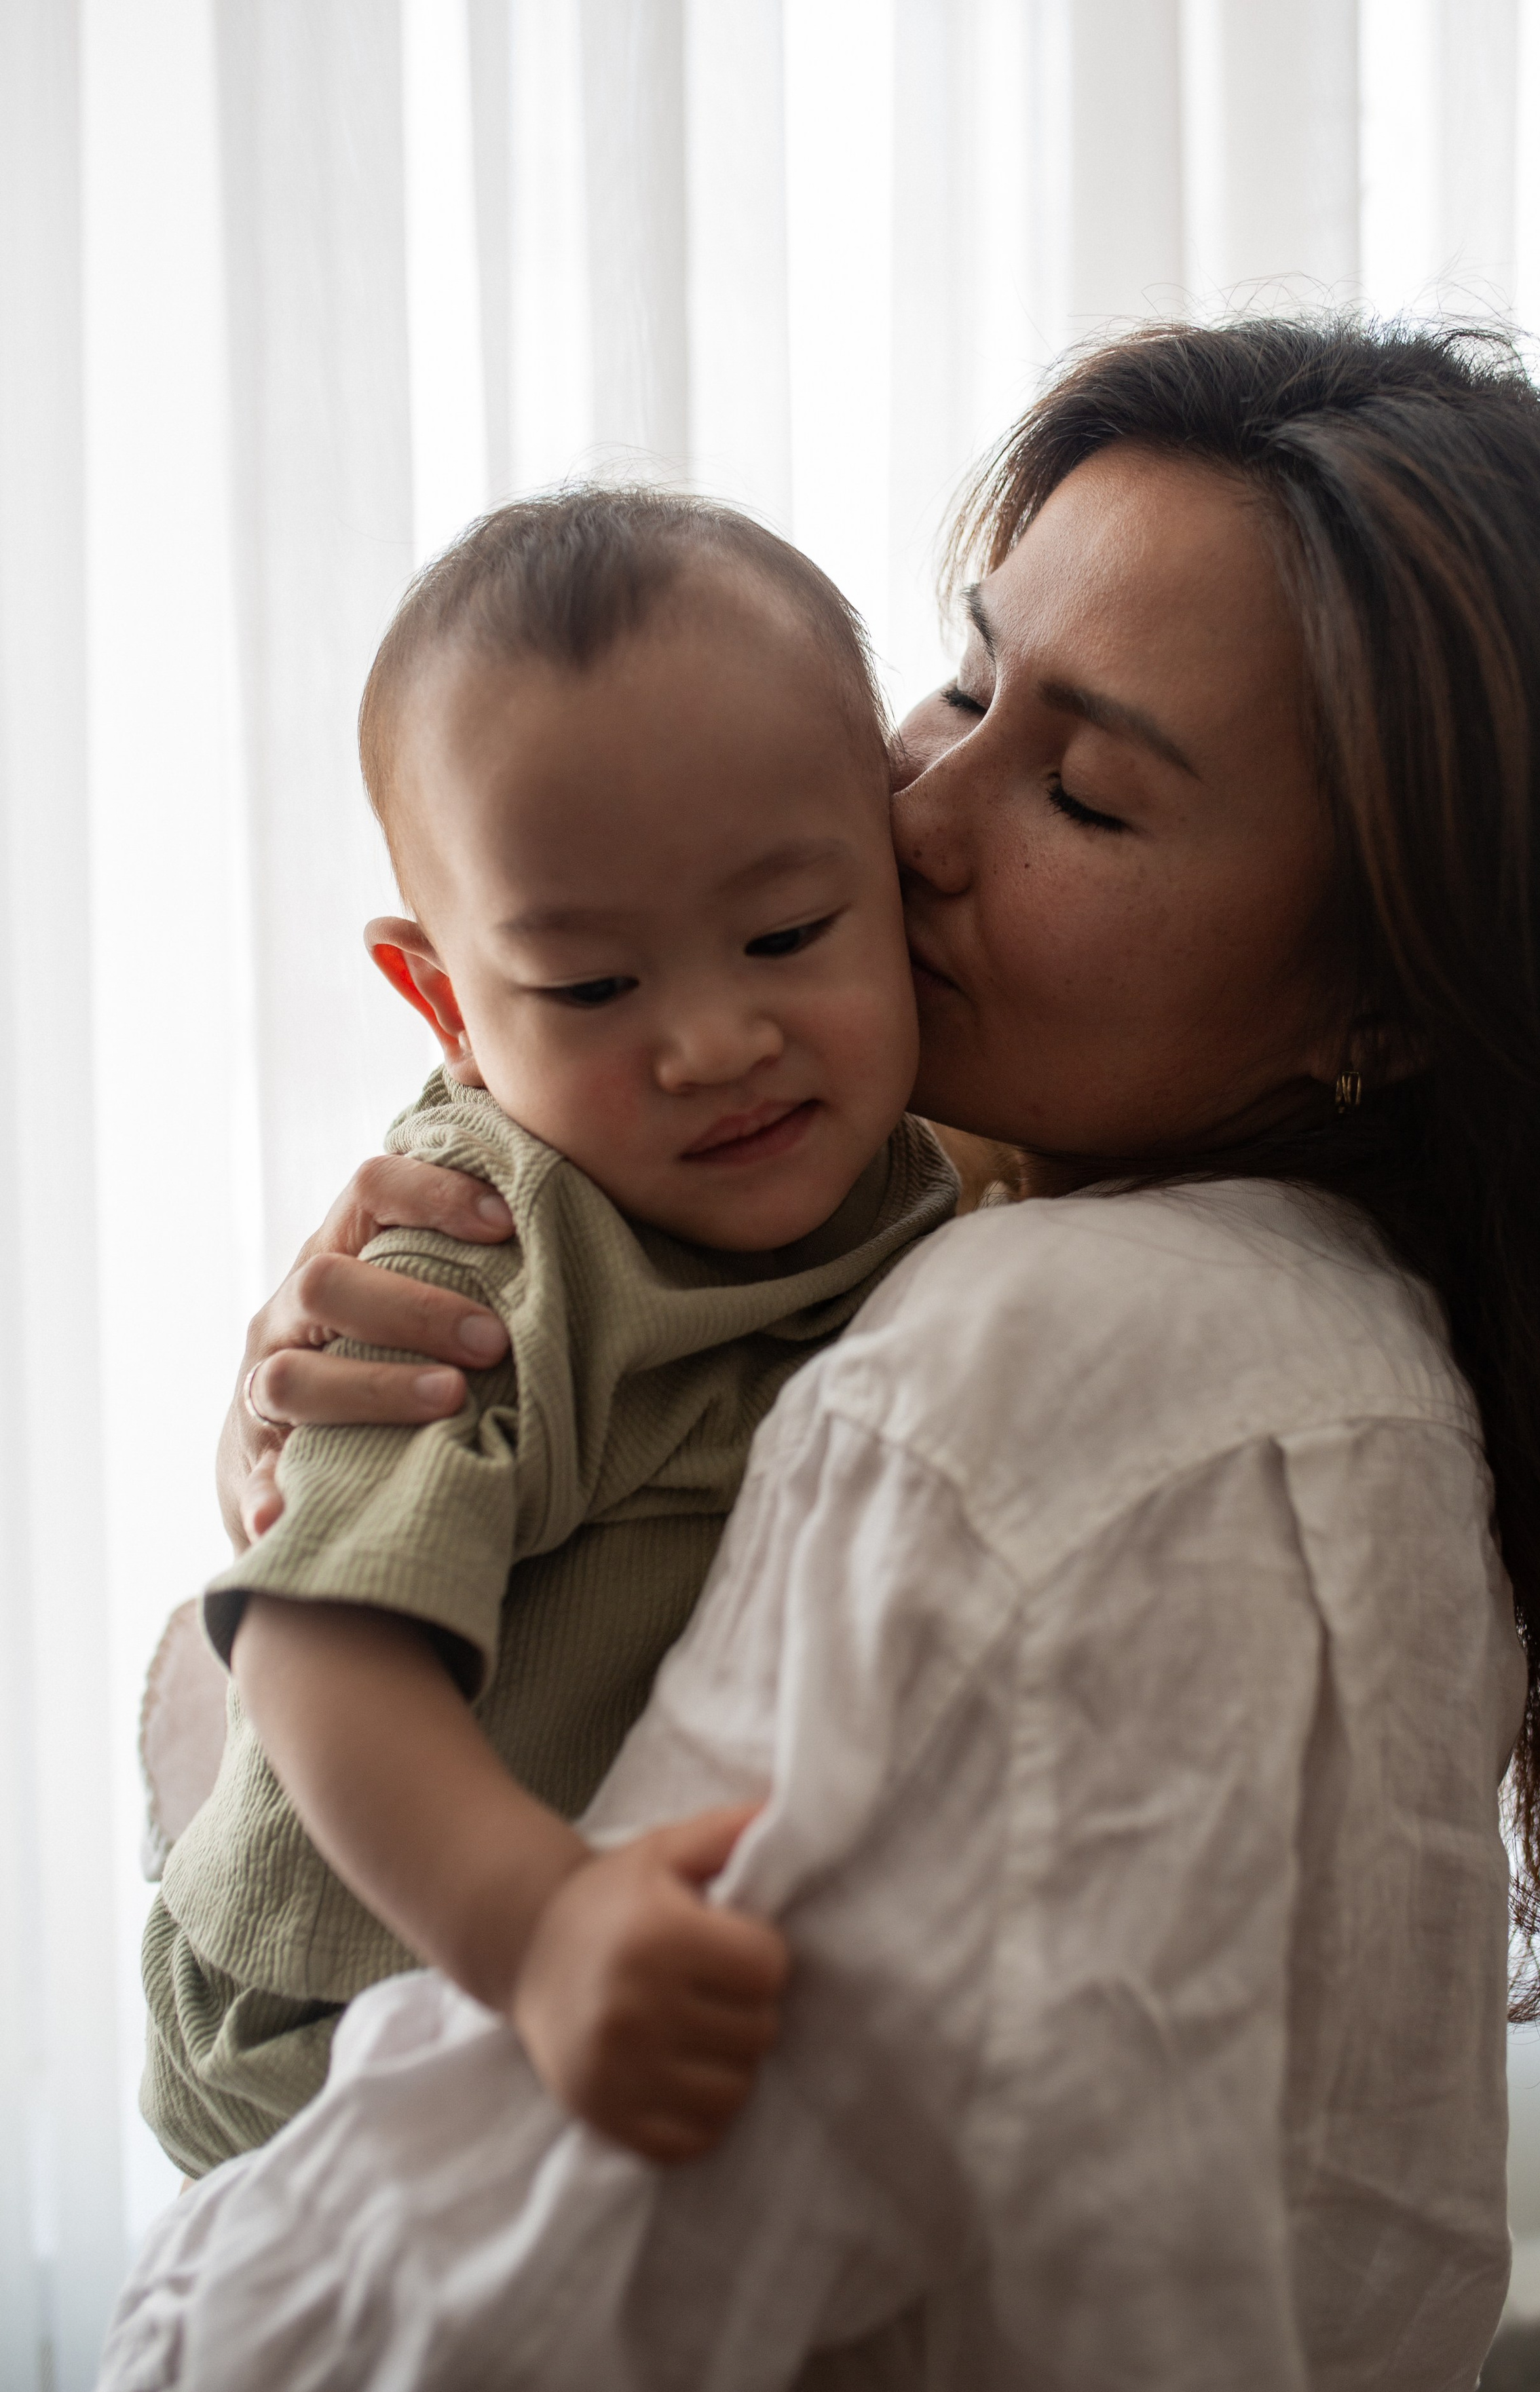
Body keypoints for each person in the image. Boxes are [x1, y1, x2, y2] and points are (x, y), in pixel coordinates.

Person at [105, 318, 1540, 2391]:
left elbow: (438, 2289)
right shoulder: (939, 1210)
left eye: (1083, 788)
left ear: (1388, 1001)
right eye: (965, 681)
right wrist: (320, 1432)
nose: (923, 813)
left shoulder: (1077, 1349)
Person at [141, 490, 956, 2177]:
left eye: (788, 936)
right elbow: (305, 1654)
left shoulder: (921, 1167)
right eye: (590, 989)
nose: (715, 1042)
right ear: (444, 1004)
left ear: (892, 866)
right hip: (340, 1989)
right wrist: (541, 1931)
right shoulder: (478, 1248)